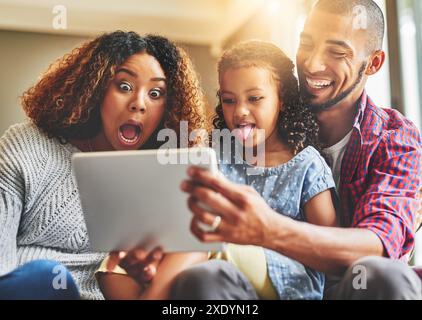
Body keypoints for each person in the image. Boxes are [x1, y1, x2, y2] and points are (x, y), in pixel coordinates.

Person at [171, 0, 422, 300]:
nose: (313, 64)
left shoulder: (394, 139)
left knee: (380, 273)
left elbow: (378, 244)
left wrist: (269, 230)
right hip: (251, 288)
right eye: (307, 43)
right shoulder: (265, 123)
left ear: (373, 63)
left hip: (339, 289)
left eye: (337, 52)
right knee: (203, 279)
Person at [105, 40, 338, 300]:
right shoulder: (214, 155)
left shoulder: (306, 163)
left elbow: (327, 248)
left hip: (287, 278)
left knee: (205, 235)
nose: (240, 111)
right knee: (114, 262)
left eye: (254, 98)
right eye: (229, 100)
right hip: (220, 271)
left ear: (281, 99)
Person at [0, 31, 208, 299]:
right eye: (124, 86)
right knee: (43, 274)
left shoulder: (163, 177)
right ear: (96, 89)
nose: (139, 103)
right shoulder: (27, 145)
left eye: (156, 93)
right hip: (26, 288)